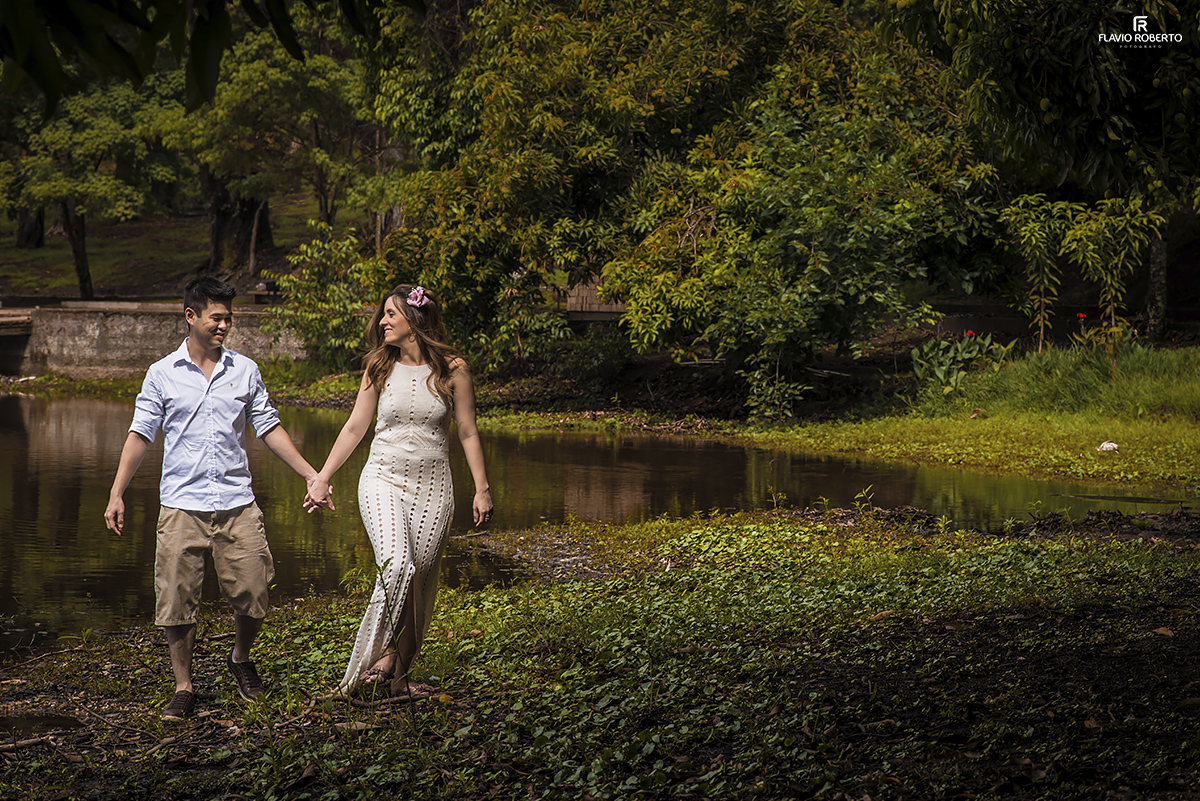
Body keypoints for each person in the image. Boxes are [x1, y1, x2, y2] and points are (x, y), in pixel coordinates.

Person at [104, 277, 328, 721]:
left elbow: (268, 426)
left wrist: (311, 474)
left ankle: (240, 658)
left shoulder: (245, 370)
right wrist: (116, 492)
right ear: (191, 317)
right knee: (176, 599)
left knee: (255, 587)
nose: (224, 324)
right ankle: (184, 686)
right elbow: (140, 434)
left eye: (228, 317)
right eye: (216, 317)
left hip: (236, 500)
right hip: (181, 503)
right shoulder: (162, 374)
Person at [303, 284, 492, 697]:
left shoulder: (452, 369)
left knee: (418, 581)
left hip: (434, 486)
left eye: (391, 313)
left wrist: (482, 488)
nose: (382, 321)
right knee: (398, 566)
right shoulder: (378, 367)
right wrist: (322, 477)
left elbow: (467, 429)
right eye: (383, 314)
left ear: (415, 319)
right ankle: (359, 672)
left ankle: (399, 678)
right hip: (382, 478)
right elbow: (355, 427)